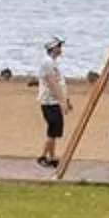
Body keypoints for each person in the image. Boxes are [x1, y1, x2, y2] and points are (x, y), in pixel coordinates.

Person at [35, 37, 70, 168]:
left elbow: (58, 83)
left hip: (54, 101)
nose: (61, 49)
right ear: (53, 48)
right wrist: (62, 101)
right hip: (49, 102)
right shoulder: (48, 63)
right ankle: (43, 156)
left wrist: (65, 99)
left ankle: (52, 156)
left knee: (54, 132)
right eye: (59, 46)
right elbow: (52, 83)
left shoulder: (52, 63)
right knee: (52, 131)